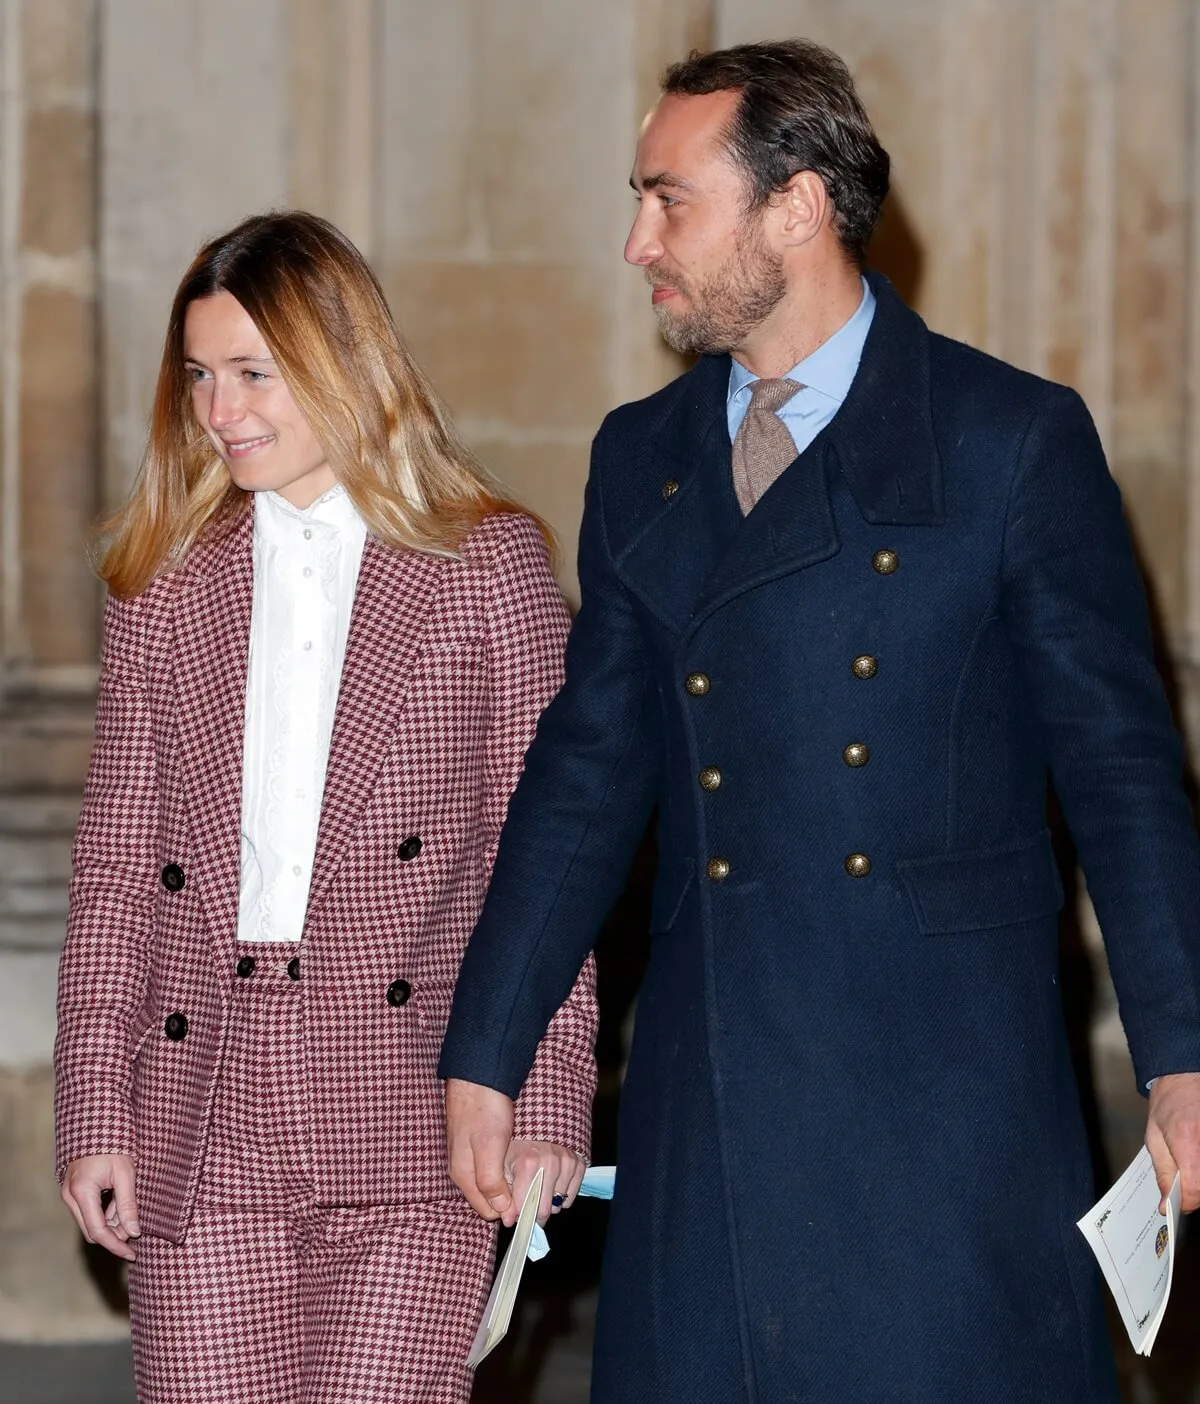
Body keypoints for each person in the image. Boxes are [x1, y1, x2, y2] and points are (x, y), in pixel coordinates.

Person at [438, 38, 1200, 1404]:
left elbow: (1124, 774)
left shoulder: (1007, 440)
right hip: (710, 1092)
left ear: (795, 204)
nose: (634, 244)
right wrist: (488, 1046)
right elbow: (585, 771)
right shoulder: (643, 456)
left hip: (939, 1100)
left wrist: (1185, 1052)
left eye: (671, 201)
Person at [54, 210, 596, 1404]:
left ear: (343, 365)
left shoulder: (486, 566)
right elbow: (115, 871)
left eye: (255, 373)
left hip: (417, 1095)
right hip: (208, 1088)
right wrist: (94, 1100)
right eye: (199, 376)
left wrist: (548, 1094)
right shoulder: (163, 579)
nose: (220, 410)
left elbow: (549, 858)